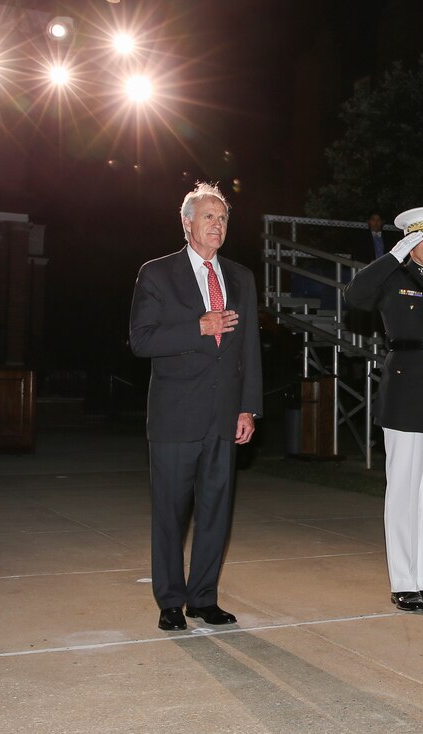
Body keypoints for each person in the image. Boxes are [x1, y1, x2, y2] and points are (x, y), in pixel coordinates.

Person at [129, 182, 263, 631]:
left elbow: (250, 351)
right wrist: (198, 327)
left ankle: (204, 598)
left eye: (223, 218)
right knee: (170, 513)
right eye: (209, 217)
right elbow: (141, 340)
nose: (218, 225)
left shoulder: (241, 277)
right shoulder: (157, 273)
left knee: (215, 511)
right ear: (187, 224)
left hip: (224, 415)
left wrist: (248, 408)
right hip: (175, 415)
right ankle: (170, 600)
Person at [344, 206, 423, 611]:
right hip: (406, 391)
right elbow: (355, 295)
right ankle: (404, 581)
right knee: (404, 490)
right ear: (410, 242)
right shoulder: (391, 278)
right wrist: (394, 254)